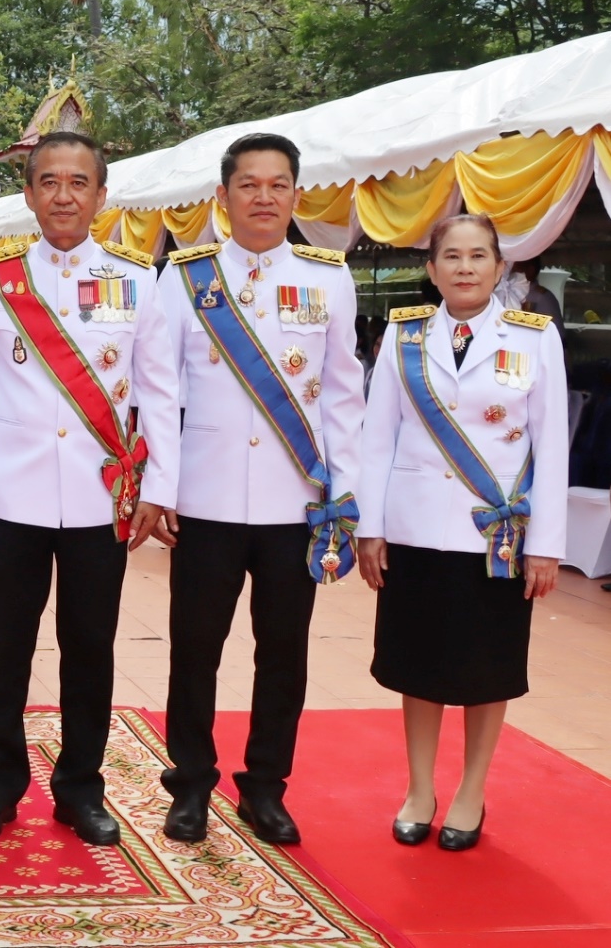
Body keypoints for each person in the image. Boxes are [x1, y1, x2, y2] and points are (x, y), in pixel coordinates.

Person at [0, 131, 180, 846]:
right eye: (47, 181)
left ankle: (80, 788)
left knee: (89, 647)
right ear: (28, 194)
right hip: (10, 496)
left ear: (99, 196)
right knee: (5, 651)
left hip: (96, 498)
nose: (61, 195)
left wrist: (158, 488)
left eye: (76, 182)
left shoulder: (137, 279)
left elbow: (157, 392)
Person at [154, 132, 364, 846]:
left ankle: (265, 786)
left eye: (278, 184)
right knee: (194, 648)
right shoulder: (184, 277)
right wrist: (163, 488)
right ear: (223, 196)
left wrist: (342, 492)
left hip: (292, 503)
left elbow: (341, 394)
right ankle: (188, 784)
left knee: (283, 651)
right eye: (249, 184)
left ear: (295, 195)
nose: (264, 196)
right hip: (206, 501)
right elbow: (160, 391)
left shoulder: (328, 276)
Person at [358, 213, 565, 851]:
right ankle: (420, 788)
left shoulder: (534, 339)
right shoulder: (404, 335)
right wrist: (370, 526)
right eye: (452, 256)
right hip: (416, 528)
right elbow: (376, 437)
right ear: (432, 269)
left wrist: (547, 545)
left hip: (494, 539)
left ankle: (471, 790)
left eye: (479, 256)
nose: (466, 268)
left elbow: (551, 447)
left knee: (487, 668)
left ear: (500, 268)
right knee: (418, 665)